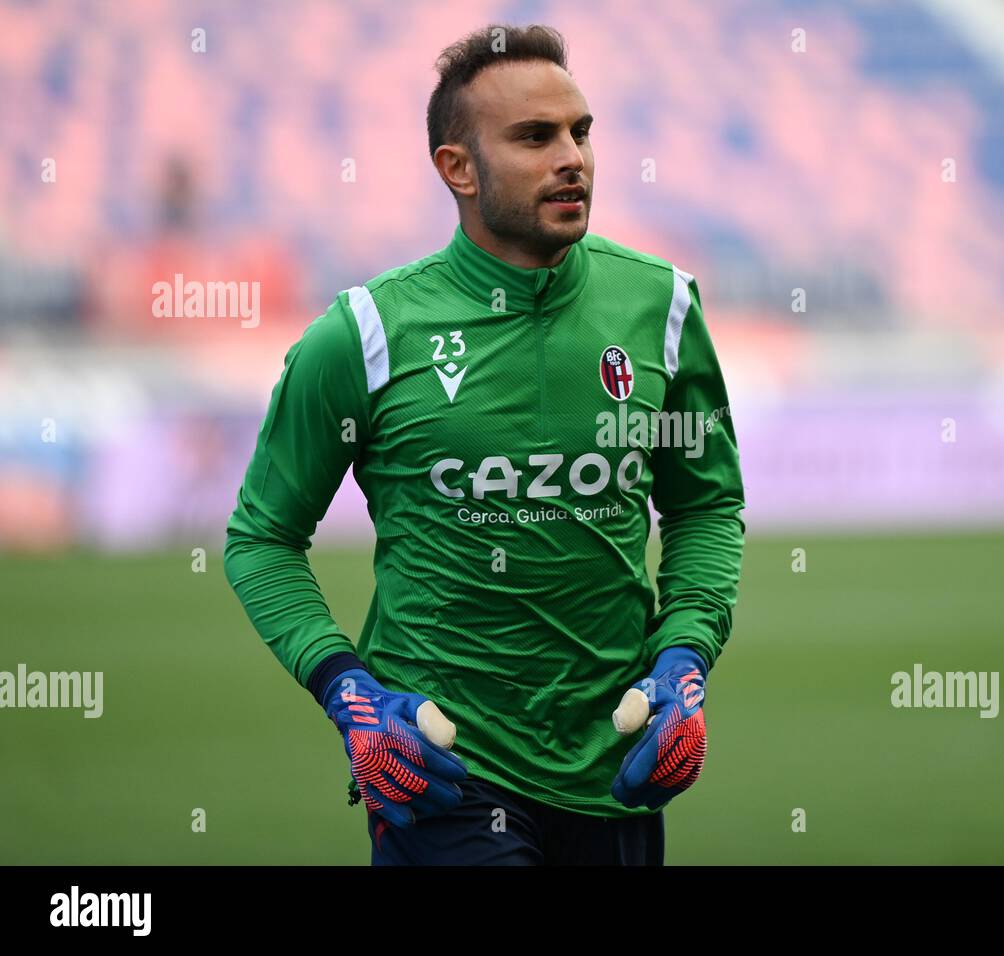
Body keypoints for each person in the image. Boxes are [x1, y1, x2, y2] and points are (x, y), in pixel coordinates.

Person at [223, 22, 744, 866]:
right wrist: (348, 692)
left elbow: (706, 504)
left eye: (580, 131)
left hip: (616, 769)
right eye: (535, 137)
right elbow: (262, 538)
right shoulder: (366, 334)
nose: (572, 156)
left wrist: (685, 659)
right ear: (457, 168)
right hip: (445, 774)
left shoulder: (665, 307)